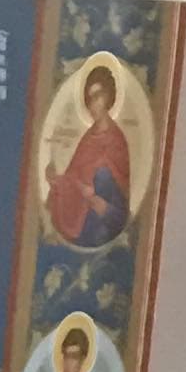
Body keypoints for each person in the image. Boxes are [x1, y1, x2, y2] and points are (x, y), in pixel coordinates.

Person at [40, 58, 132, 250]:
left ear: (109, 97)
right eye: (89, 99)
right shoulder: (88, 138)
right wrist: (56, 181)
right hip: (78, 213)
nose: (93, 105)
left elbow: (121, 207)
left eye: (98, 96)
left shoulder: (117, 141)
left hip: (100, 224)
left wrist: (103, 207)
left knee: (103, 174)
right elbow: (74, 176)